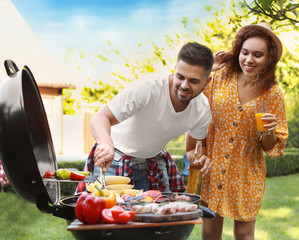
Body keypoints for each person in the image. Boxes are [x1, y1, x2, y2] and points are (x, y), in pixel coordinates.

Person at [77, 41, 214, 193]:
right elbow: (100, 117)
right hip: (114, 160)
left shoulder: (202, 109)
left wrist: (201, 159)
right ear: (174, 70)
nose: (184, 85)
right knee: (109, 214)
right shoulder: (147, 88)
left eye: (194, 81)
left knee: (160, 214)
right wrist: (105, 143)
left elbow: (193, 151)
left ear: (207, 82)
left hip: (154, 163)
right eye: (180, 77)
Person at [196, 22, 288, 240]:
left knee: (245, 236)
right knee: (209, 233)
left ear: (268, 58)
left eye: (258, 54)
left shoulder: (273, 94)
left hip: (247, 174)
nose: (249, 59)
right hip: (214, 167)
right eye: (245, 52)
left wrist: (268, 131)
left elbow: (270, 147)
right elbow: (189, 94)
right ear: (238, 51)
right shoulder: (219, 78)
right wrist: (209, 68)